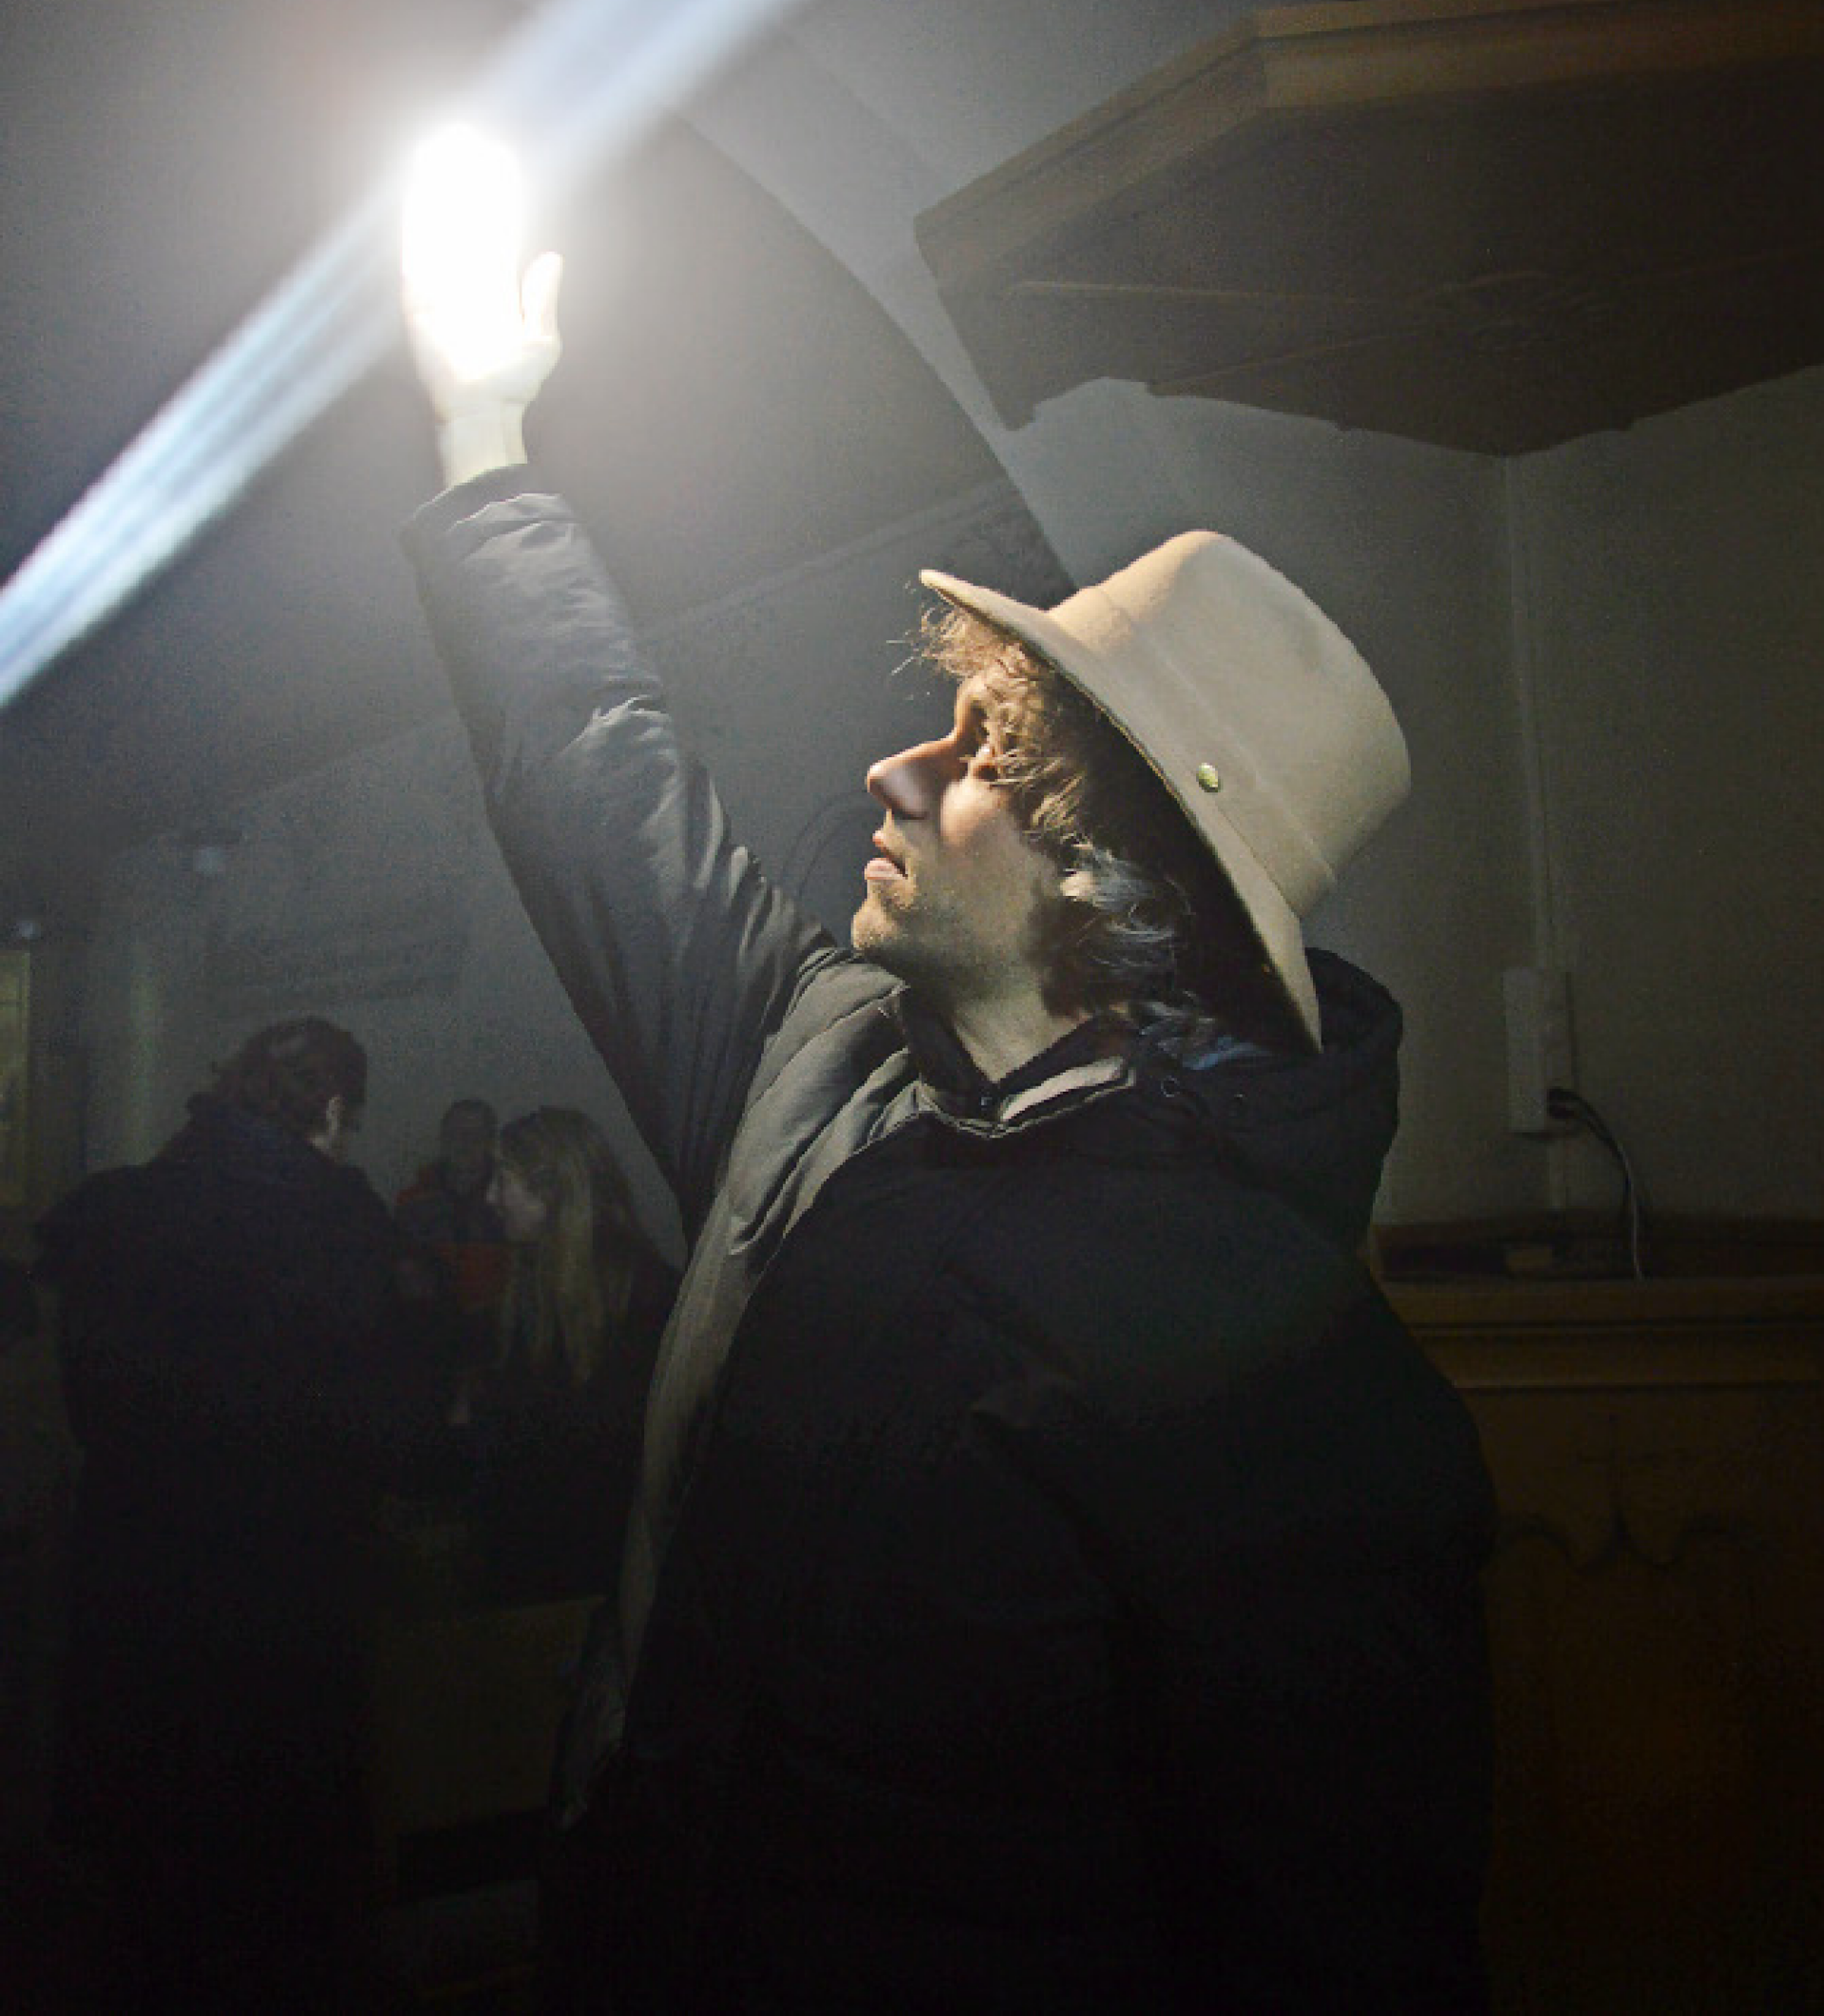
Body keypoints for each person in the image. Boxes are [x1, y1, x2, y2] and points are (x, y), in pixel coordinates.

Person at [398, 225, 1495, 2011]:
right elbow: (605, 781)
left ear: (1118, 885)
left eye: (985, 751)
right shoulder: (814, 1075)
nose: (896, 768)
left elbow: (1342, 1941)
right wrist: (483, 429)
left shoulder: (1298, 1391)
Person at [35, 1017, 438, 2014]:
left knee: (150, 1871)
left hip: (142, 1567)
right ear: (334, 1106)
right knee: (269, 1876)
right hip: (281, 1589)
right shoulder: (337, 1222)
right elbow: (386, 1420)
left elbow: (88, 1398)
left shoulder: (133, 1205)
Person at [467, 1105, 674, 1605]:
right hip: (545, 1560)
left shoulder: (640, 1295)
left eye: (505, 1179)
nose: (491, 1197)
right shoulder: (537, 1282)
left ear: (552, 1187)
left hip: (594, 1570)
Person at [395, 1094, 510, 1342]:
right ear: (443, 1137)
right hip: (428, 1338)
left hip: (500, 1337)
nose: (465, 1142)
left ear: (491, 1142)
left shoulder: (511, 1202)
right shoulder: (411, 1203)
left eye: (476, 1134)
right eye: (457, 1132)